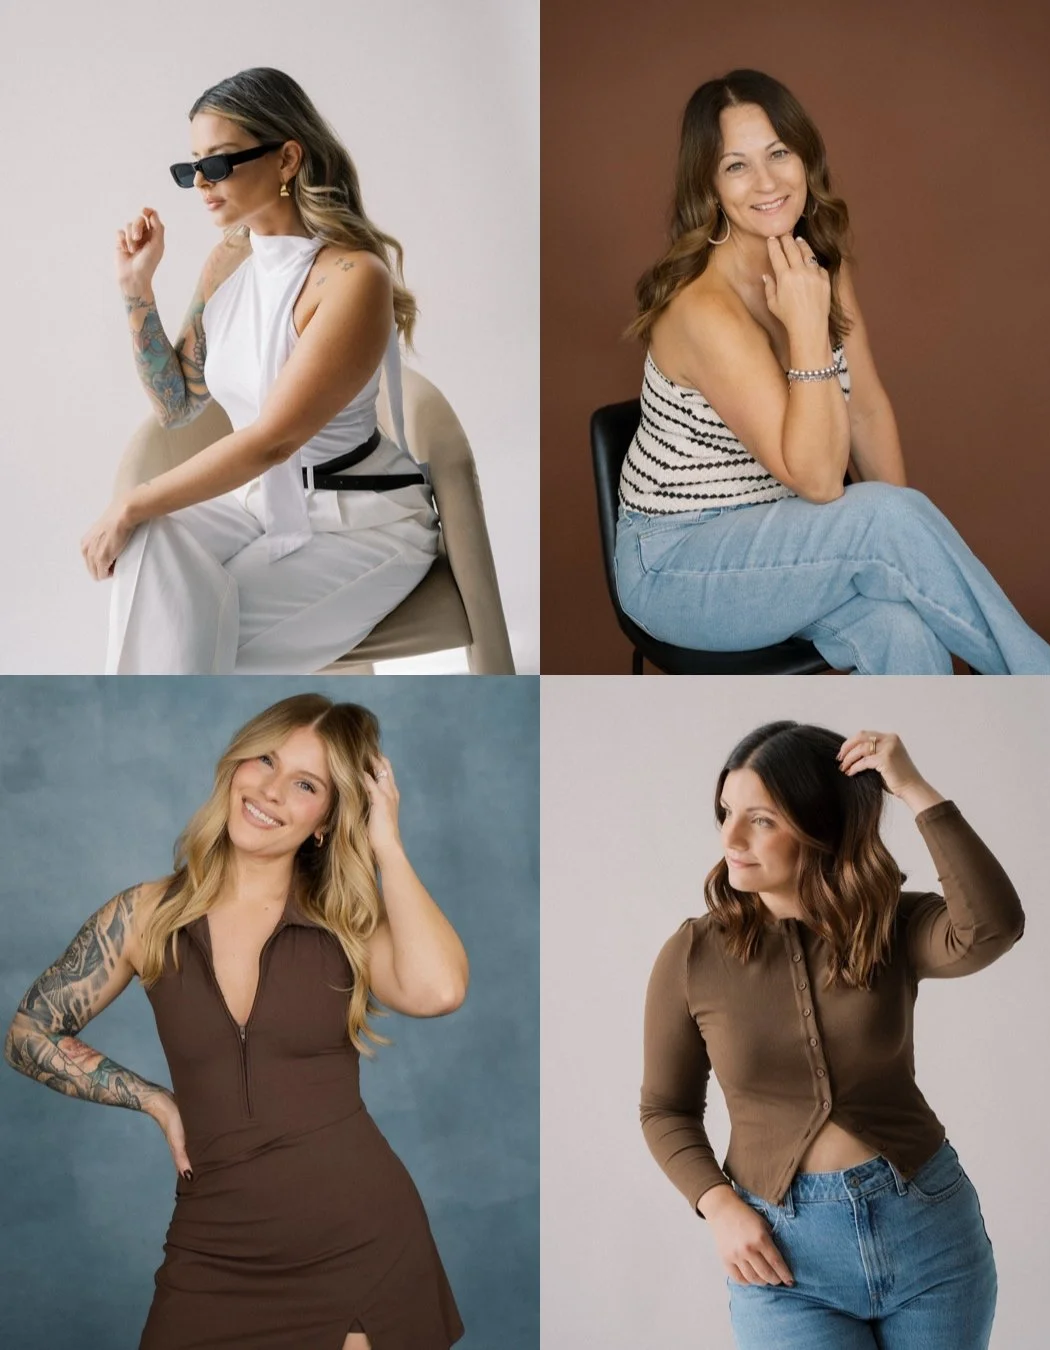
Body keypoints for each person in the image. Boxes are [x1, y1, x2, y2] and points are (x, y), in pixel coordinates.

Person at [4, 693, 468, 1349]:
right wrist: (157, 1102)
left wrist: (387, 844)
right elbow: (28, 1034)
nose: (271, 791)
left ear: (326, 822)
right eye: (265, 759)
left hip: (359, 1247)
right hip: (212, 1249)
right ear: (235, 763)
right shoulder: (146, 916)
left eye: (306, 784)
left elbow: (442, 989)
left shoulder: (348, 926)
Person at [616, 70, 1050, 674]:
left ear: (805, 156)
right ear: (709, 184)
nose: (767, 181)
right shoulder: (705, 311)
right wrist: (807, 331)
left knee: (903, 624)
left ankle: (909, 768)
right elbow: (822, 483)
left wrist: (908, 554)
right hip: (678, 564)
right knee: (883, 520)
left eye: (779, 152)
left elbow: (865, 409)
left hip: (786, 542)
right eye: (737, 165)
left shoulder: (818, 263)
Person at [640, 720, 1023, 1348]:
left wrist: (912, 787)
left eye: (761, 820)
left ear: (823, 828)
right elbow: (665, 1108)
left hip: (927, 1230)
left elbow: (993, 928)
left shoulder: (893, 924)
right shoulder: (693, 955)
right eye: (726, 811)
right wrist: (719, 1206)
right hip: (782, 1258)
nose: (730, 838)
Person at [82, 68, 440, 674]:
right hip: (255, 508)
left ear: (287, 159)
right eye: (189, 167)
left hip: (360, 522)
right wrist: (135, 287)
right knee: (153, 556)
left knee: (179, 633)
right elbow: (179, 407)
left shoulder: (352, 279)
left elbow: (273, 440)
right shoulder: (229, 258)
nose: (200, 182)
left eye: (218, 163)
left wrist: (133, 501)